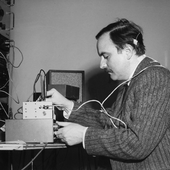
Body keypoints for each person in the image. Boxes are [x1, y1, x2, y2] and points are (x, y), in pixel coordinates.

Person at [46, 18, 170, 170]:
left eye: (106, 56)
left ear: (128, 51)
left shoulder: (154, 78)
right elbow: (107, 121)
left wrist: (84, 136)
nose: (102, 64)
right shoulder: (131, 83)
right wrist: (67, 105)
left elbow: (137, 144)